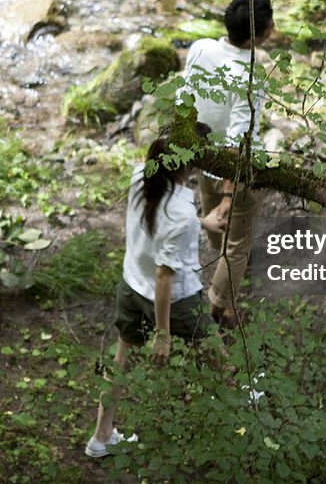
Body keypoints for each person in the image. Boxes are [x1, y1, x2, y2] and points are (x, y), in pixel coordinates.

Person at [86, 125, 224, 458]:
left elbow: (165, 218)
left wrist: (201, 221)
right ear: (189, 165)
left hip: (131, 287)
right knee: (218, 354)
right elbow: (165, 277)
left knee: (120, 363)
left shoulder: (142, 175)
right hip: (174, 301)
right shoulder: (180, 212)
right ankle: (244, 413)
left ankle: (100, 439)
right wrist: (162, 334)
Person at [182, 0, 273, 328]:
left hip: (205, 159)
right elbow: (238, 140)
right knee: (237, 244)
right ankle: (215, 308)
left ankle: (226, 278)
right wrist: (228, 195)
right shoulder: (251, 73)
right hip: (237, 172)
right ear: (258, 36)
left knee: (220, 234)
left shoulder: (200, 48)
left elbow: (187, 102)